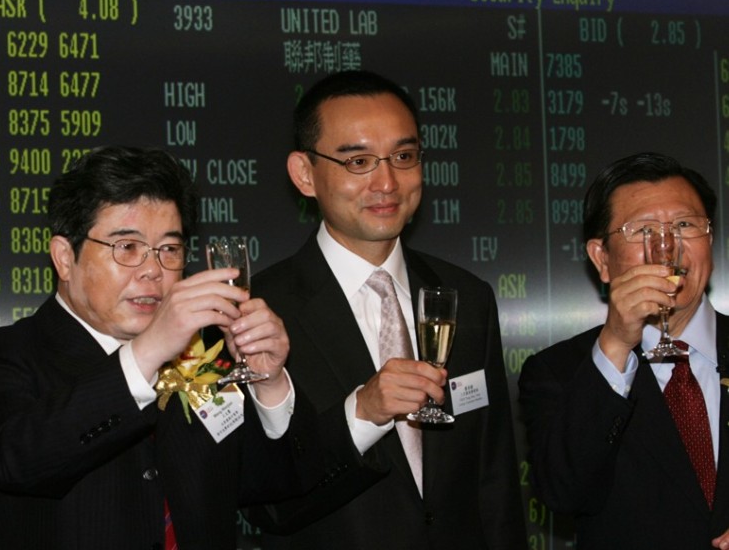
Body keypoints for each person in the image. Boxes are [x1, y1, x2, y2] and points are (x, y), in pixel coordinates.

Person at [0, 146, 315, 550]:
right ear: (64, 257)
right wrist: (146, 354)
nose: (153, 270)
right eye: (127, 247)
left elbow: (268, 486)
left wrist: (270, 384)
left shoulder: (206, 353)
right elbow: (15, 460)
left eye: (170, 250)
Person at [244, 70, 526, 548]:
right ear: (305, 174)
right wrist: (364, 411)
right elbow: (266, 505)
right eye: (358, 161)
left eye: (403, 156)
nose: (387, 181)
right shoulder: (256, 312)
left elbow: (493, 479)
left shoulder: (467, 296)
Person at [519, 152, 729, 548]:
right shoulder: (558, 370)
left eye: (685, 225)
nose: (668, 249)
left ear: (711, 240)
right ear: (602, 258)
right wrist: (616, 343)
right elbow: (563, 493)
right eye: (644, 231)